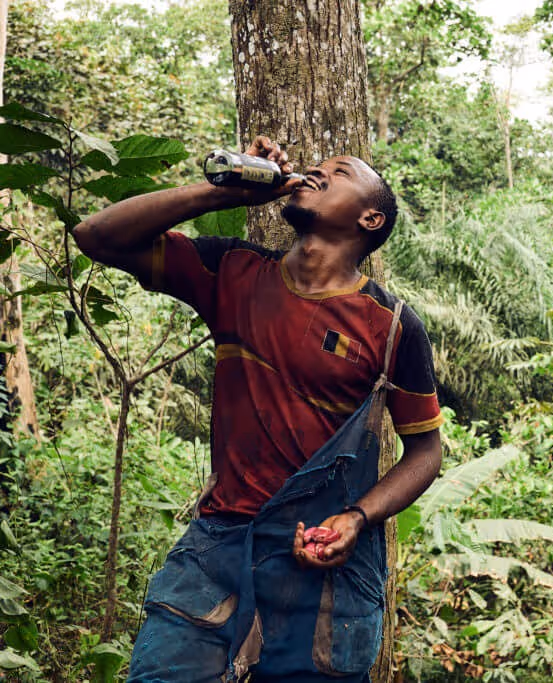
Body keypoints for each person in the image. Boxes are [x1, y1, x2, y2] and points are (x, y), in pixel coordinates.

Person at [73, 137, 444, 681]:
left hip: (322, 567)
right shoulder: (233, 271)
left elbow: (427, 451)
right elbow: (95, 236)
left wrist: (357, 518)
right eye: (316, 166)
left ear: (370, 218)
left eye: (339, 171)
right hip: (218, 547)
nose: (318, 171)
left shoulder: (390, 326)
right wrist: (220, 192)